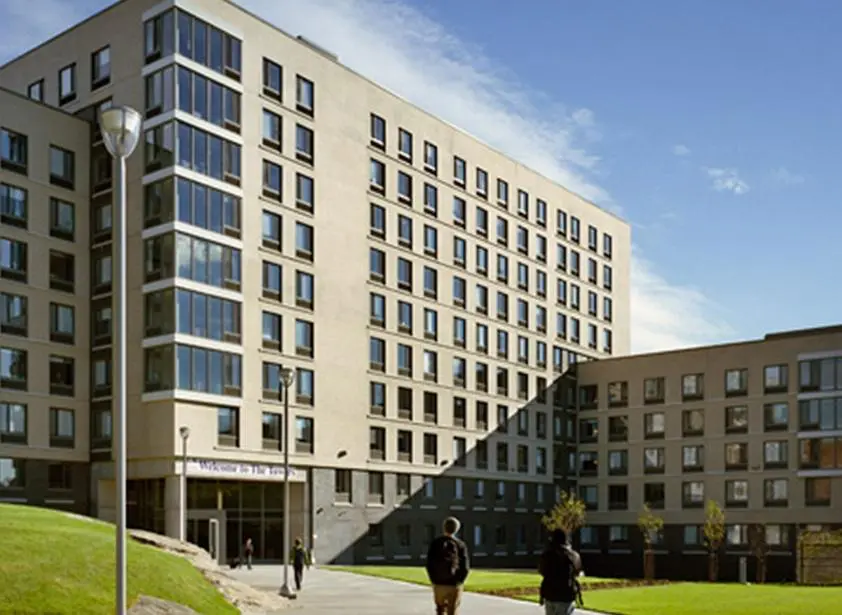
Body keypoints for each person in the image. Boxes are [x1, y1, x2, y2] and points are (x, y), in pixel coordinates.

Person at [425, 516, 470, 615]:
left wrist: (434, 580)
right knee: (452, 611)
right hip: (454, 584)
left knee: (440, 610)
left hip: (439, 584)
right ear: (457, 529)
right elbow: (465, 567)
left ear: (444, 527)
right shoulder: (460, 545)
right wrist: (459, 581)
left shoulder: (435, 543)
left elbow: (429, 564)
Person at [538, 529, 583, 615]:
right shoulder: (573, 555)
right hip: (566, 595)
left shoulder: (547, 555)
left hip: (550, 594)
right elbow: (577, 572)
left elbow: (542, 571)